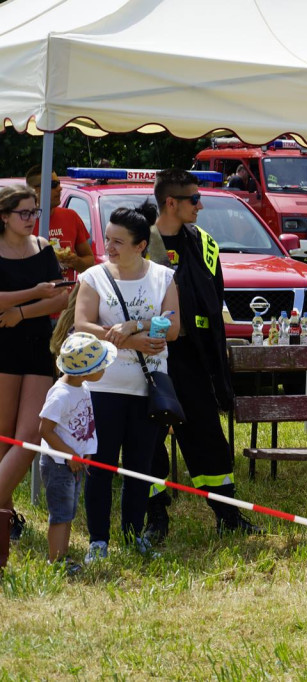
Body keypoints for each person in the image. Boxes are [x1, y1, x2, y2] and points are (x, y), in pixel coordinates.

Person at [144, 169, 261, 538]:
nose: (201, 204)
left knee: (207, 435)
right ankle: (156, 517)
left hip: (194, 356)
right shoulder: (141, 241)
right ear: (171, 202)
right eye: (194, 199)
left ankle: (227, 515)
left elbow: (215, 299)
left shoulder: (205, 243)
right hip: (151, 355)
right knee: (148, 438)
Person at [74, 204, 180, 562]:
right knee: (101, 466)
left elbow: (174, 327)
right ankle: (98, 541)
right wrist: (130, 340)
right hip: (103, 386)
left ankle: (135, 536)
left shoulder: (163, 277)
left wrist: (133, 325)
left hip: (147, 388)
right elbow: (82, 325)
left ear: (140, 245)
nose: (110, 247)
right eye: (107, 239)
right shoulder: (93, 277)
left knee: (140, 467)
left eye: (118, 241)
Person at [0, 184, 68, 563]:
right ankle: (6, 522)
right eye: (23, 213)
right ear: (4, 217)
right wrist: (32, 294)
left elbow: (60, 296)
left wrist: (22, 312)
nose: (30, 219)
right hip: (3, 349)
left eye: (34, 212)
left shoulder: (43, 246)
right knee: (4, 437)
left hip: (37, 343)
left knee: (27, 437)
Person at [39, 332, 117, 574]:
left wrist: (84, 452)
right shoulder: (60, 395)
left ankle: (63, 558)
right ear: (85, 371)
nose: (104, 370)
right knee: (60, 514)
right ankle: (56, 562)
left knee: (69, 511)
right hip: (59, 464)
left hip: (74, 463)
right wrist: (70, 454)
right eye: (101, 367)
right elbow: (45, 429)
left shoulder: (81, 387)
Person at [25, 166, 95, 280]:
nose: (60, 188)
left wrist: (76, 261)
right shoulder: (21, 221)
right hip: (35, 295)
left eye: (59, 183)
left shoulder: (71, 216)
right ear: (35, 190)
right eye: (53, 185)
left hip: (67, 295)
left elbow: (90, 261)